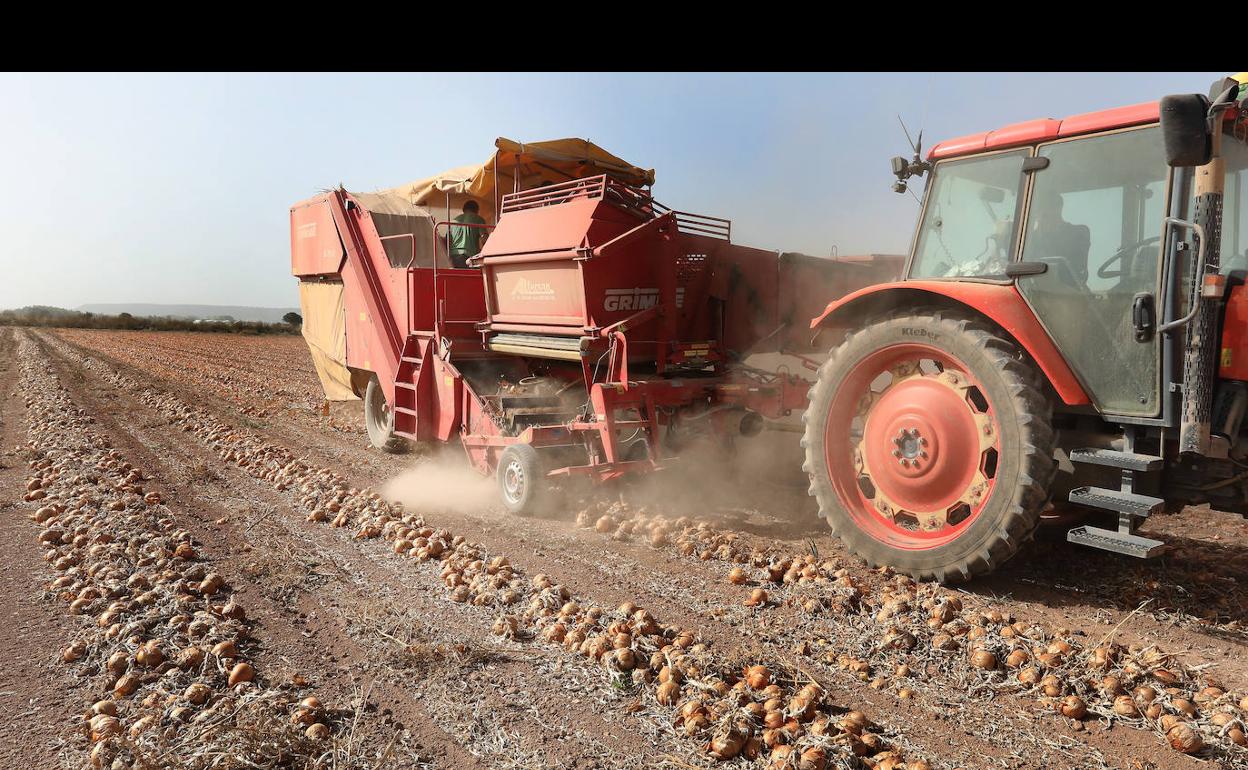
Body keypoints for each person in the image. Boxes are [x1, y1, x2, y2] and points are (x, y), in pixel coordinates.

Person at [448, 200, 487, 268]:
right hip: (469, 256)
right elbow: (484, 239)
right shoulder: (478, 219)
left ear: (464, 209)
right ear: (476, 210)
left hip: (453, 256)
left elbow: (447, 240)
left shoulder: (453, 221)